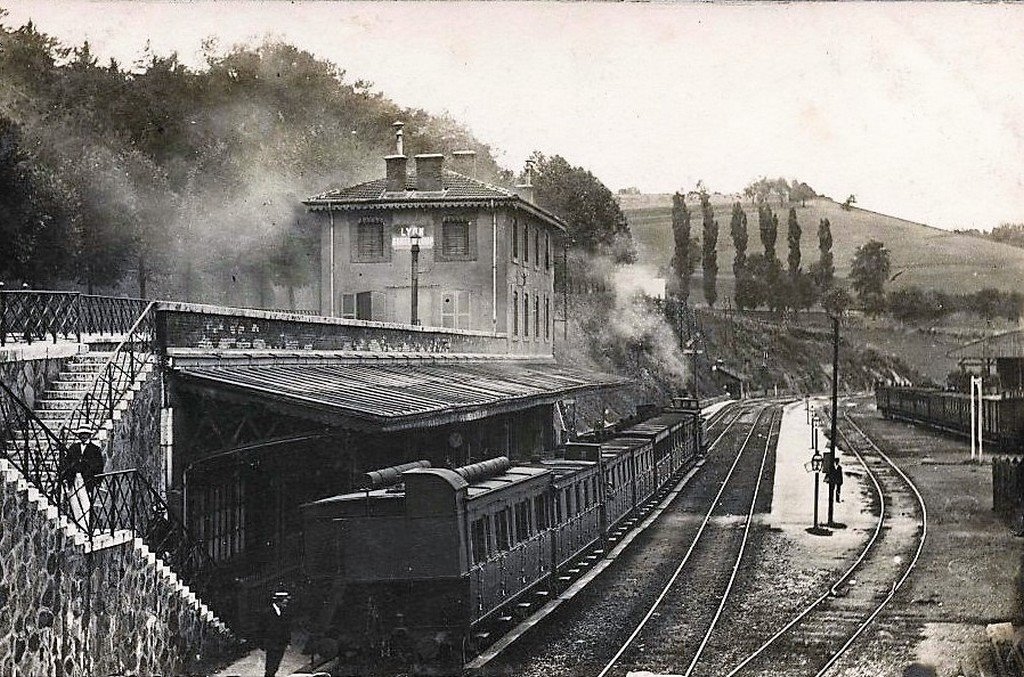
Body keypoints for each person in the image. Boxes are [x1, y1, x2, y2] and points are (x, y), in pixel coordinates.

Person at [59, 427, 105, 529]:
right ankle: (76, 525)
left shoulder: (95, 449)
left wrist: (96, 481)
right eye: (81, 434)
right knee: (74, 501)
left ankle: (84, 527)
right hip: (74, 477)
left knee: (86, 503)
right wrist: (66, 476)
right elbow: (67, 462)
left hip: (87, 479)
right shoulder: (73, 447)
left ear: (89, 435)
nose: (83, 436)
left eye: (85, 434)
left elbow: (99, 466)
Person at [260, 590, 293, 677]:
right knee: (270, 667)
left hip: (281, 644)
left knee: (275, 666)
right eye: (284, 601)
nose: (286, 604)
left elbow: (287, 628)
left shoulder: (285, 612)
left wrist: (288, 642)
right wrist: (262, 643)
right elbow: (262, 629)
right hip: (272, 644)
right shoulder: (267, 613)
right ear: (278, 601)